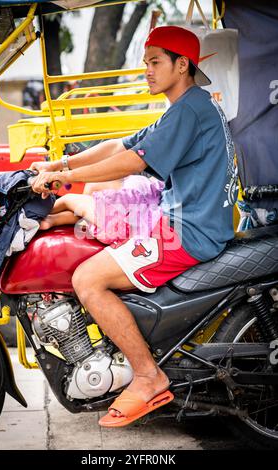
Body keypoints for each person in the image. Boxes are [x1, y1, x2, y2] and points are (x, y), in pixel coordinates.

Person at [31, 25, 237, 427]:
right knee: (89, 224)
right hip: (182, 220)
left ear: (182, 65)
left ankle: (147, 375)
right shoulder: (186, 106)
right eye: (145, 62)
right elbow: (121, 146)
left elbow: (133, 162)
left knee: (88, 279)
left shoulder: (190, 110)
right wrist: (62, 165)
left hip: (187, 231)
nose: (146, 69)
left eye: (155, 62)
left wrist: (65, 181)